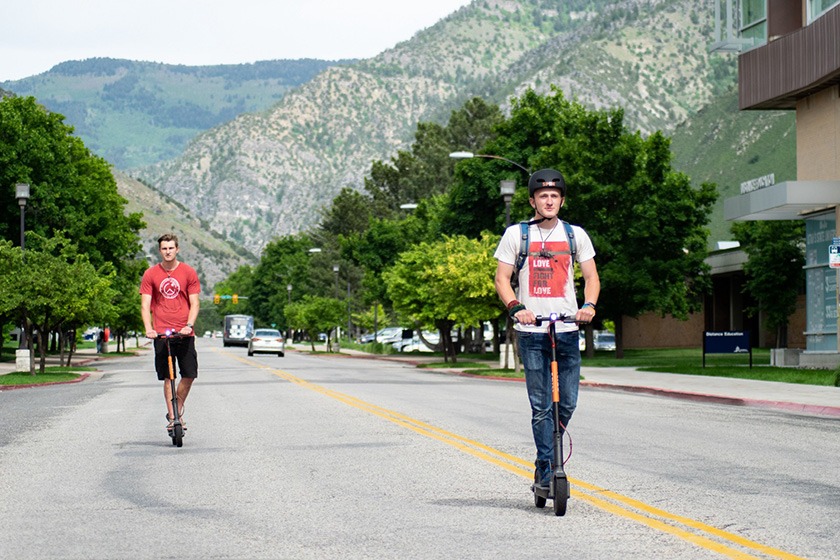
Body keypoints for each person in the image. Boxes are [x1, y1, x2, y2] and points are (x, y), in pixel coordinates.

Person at [493, 168, 600, 491]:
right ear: (532, 201)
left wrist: (589, 306)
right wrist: (517, 308)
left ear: (562, 200)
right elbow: (502, 279)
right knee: (541, 406)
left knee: (566, 402)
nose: (549, 200)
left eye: (554, 195)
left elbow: (592, 277)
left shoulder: (575, 235)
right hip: (532, 333)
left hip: (566, 329)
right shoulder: (517, 234)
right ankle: (546, 468)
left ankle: (547, 460)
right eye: (543, 196)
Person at [140, 233, 201, 430]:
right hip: (161, 334)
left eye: (171, 248)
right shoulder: (150, 274)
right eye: (164, 248)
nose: (168, 251)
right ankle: (174, 418)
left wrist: (189, 325)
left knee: (189, 374)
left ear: (177, 249)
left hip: (184, 334)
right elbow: (145, 305)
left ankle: (178, 405)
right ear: (160, 251)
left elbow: (194, 302)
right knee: (169, 376)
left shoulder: (188, 272)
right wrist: (149, 329)